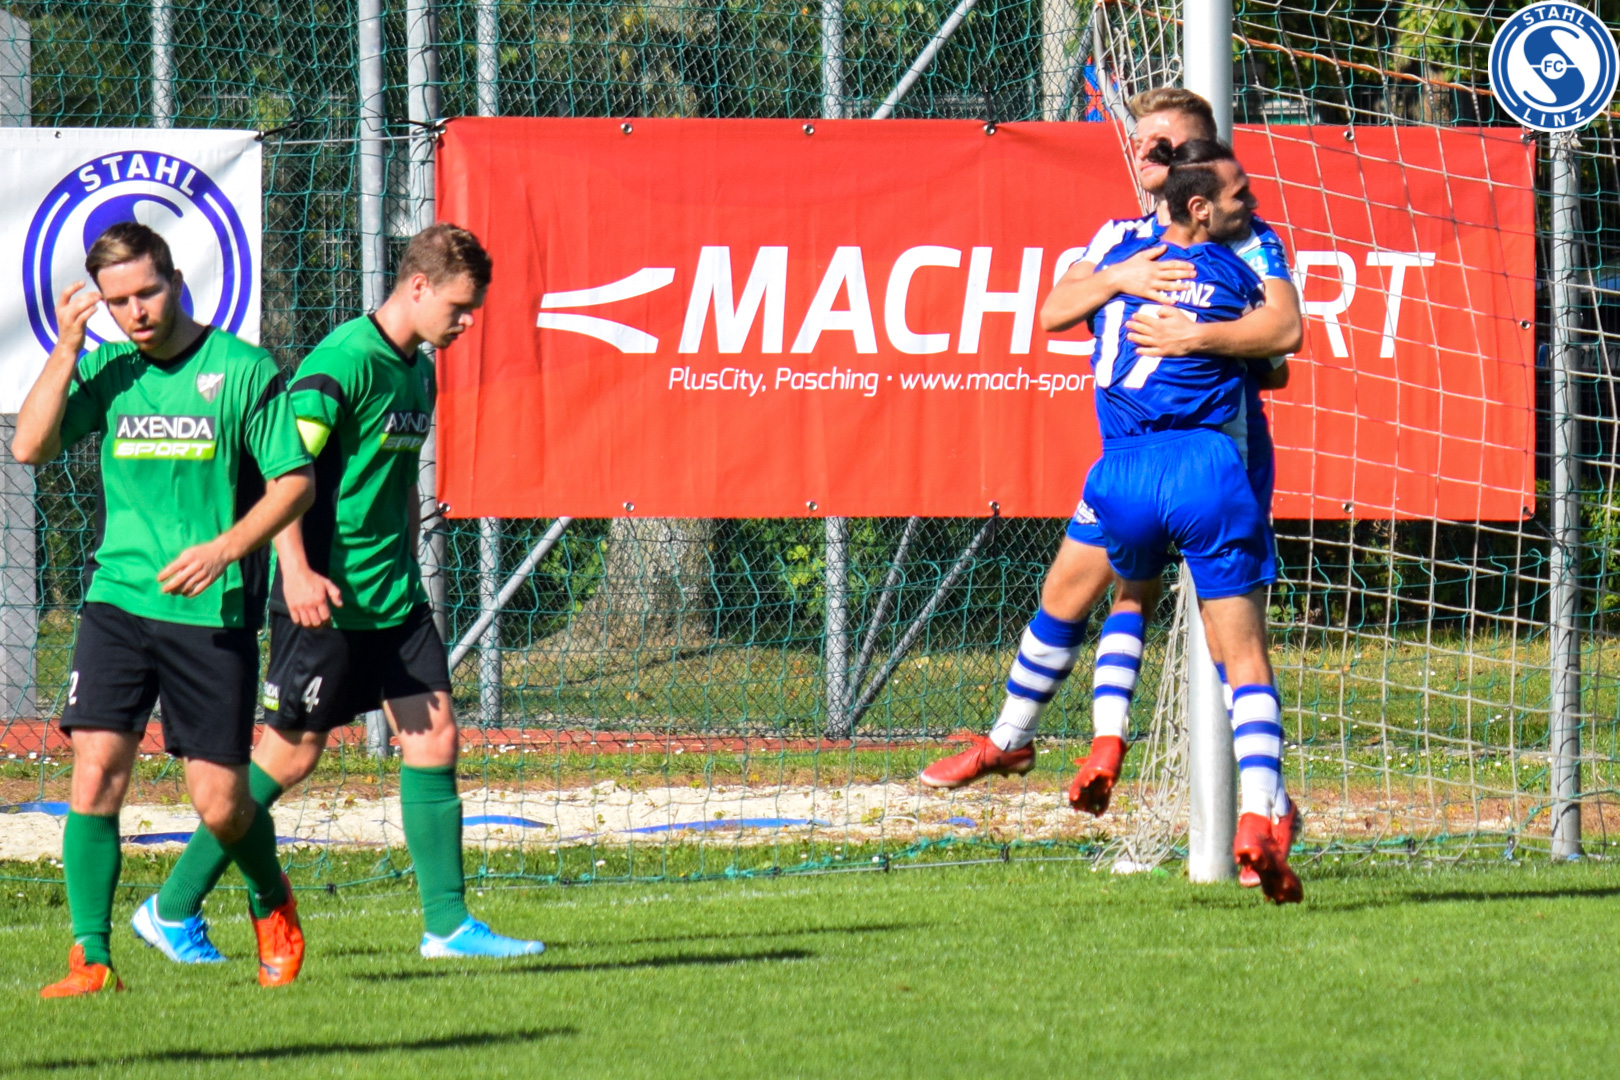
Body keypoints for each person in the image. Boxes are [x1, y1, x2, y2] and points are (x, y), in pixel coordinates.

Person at [140, 223, 545, 961]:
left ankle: (448, 927)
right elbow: (283, 472)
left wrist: (409, 554)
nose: (466, 322)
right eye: (458, 307)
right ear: (417, 286)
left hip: (393, 598)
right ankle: (171, 908)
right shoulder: (342, 362)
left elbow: (397, 477)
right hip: (323, 597)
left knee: (435, 738)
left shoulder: (417, 369)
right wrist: (295, 571)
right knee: (288, 759)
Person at [921, 87, 1302, 866]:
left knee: (1229, 641)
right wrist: (1120, 279)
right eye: (1139, 141)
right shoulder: (1118, 237)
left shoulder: (1245, 238)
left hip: (1218, 458)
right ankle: (1012, 739)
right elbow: (1056, 308)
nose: (1145, 152)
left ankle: (1267, 806)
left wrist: (1198, 337)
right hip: (1131, 458)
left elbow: (1284, 332)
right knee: (1068, 592)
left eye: (1164, 144)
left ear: (1196, 161)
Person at [14, 223, 315, 996]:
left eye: (147, 292)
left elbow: (294, 484)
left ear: (176, 281)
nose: (135, 312)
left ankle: (270, 896)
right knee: (94, 775)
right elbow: (30, 447)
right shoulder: (109, 372)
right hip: (117, 600)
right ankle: (91, 959)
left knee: (220, 805)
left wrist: (224, 550)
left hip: (210, 611)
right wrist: (66, 349)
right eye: (117, 301)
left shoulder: (242, 369)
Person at [1080, 137, 1301, 902]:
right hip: (1207, 467)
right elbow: (1279, 357)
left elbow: (1055, 313)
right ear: (1200, 206)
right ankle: (1260, 815)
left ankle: (1103, 738)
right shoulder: (1238, 272)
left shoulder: (1119, 261)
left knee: (1125, 600)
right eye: (1241, 195)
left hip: (1122, 470)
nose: (1253, 205)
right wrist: (1213, 340)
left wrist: (1119, 288)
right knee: (1243, 656)